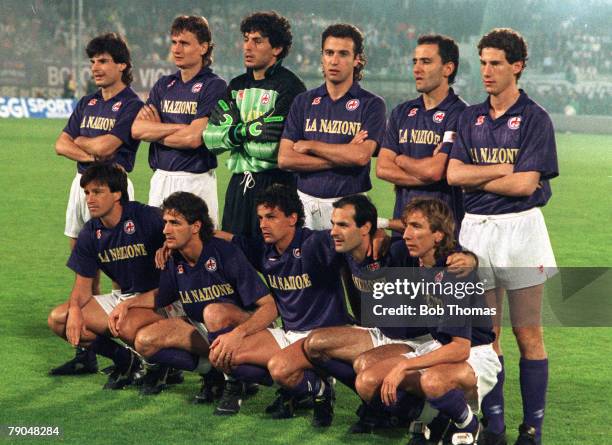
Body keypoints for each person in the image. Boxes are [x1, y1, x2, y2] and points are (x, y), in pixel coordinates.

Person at [447, 28, 559, 445]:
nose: (487, 71)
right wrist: (501, 171)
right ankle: (493, 426)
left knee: (528, 333)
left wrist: (482, 178)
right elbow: (454, 175)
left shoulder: (535, 118)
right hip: (475, 231)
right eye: (483, 63)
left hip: (521, 230)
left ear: (517, 66)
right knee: (485, 335)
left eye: (496, 63)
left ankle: (532, 429)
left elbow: (526, 185)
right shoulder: (469, 116)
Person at [303, 195, 476, 433]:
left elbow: (440, 245)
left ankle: (424, 415)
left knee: (365, 369)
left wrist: (470, 259)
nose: (334, 231)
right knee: (314, 345)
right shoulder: (345, 246)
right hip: (381, 333)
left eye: (342, 225)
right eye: (333, 224)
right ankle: (381, 406)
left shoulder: (401, 253)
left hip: (418, 341)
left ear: (365, 228)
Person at [353, 197, 500, 445]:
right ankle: (433, 420)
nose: (407, 234)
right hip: (437, 347)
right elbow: (366, 244)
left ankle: (470, 425)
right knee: (367, 382)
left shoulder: (455, 273)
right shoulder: (416, 258)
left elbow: (460, 347)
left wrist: (403, 366)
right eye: (407, 226)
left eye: (416, 227)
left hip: (473, 354)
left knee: (431, 381)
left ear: (438, 236)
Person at [108, 191, 275, 398]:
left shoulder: (225, 253)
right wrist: (127, 304)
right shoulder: (175, 258)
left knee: (214, 313)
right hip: (206, 332)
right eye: (166, 222)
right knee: (144, 340)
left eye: (175, 223)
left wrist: (237, 334)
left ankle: (239, 382)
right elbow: (162, 297)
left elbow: (269, 306)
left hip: (246, 332)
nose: (166, 230)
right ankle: (211, 372)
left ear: (196, 227)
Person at [212, 184, 352, 424]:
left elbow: (356, 241)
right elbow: (228, 238)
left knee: (279, 368)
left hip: (324, 339)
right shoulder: (263, 249)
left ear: (292, 218)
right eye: (260, 218)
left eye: (271, 217)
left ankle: (321, 392)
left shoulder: (315, 243)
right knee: (223, 355)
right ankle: (301, 384)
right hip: (289, 335)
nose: (263, 224)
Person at [53, 33, 143, 374]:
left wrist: (86, 146)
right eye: (93, 62)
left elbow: (107, 147)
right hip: (80, 185)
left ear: (122, 65)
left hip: (113, 187)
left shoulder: (132, 104)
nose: (96, 68)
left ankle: (126, 348)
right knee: (83, 264)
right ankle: (86, 352)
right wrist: (91, 152)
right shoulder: (88, 102)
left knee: (121, 267)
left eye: (103, 61)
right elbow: (61, 144)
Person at [47, 163, 166, 390]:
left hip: (158, 299)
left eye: (98, 192)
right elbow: (82, 289)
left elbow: (187, 233)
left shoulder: (146, 216)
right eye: (87, 193)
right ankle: (125, 360)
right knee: (59, 319)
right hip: (124, 298)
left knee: (125, 325)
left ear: (117, 193)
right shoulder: (91, 232)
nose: (89, 199)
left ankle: (163, 366)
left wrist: (169, 245)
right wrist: (74, 311)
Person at [204, 11, 306, 237]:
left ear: (277, 49)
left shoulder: (291, 88)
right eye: (246, 39)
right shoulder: (236, 85)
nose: (247, 47)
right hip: (238, 184)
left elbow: (273, 150)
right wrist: (250, 130)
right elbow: (211, 140)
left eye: (257, 41)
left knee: (272, 260)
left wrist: (233, 136)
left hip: (276, 186)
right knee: (233, 257)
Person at [278, 23, 386, 230]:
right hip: (303, 204)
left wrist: (311, 146)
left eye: (343, 54)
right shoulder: (303, 101)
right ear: (322, 56)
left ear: (357, 60)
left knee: (343, 263)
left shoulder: (372, 104)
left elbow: (361, 156)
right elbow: (285, 159)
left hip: (350, 206)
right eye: (329, 53)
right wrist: (343, 156)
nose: (334, 60)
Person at [131, 15, 226, 227]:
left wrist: (157, 132)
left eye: (184, 43)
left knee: (198, 249)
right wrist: (179, 128)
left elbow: (193, 138)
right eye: (174, 42)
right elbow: (137, 129)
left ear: (203, 47)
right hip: (161, 178)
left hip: (196, 180)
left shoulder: (214, 86)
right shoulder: (164, 85)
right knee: (157, 244)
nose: (176, 49)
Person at [376, 34, 467, 235]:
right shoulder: (401, 112)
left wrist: (399, 159)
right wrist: (429, 173)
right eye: (415, 62)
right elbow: (382, 168)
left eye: (426, 62)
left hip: (442, 234)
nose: (417, 69)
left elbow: (435, 171)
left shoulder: (461, 114)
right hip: (404, 229)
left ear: (448, 68)